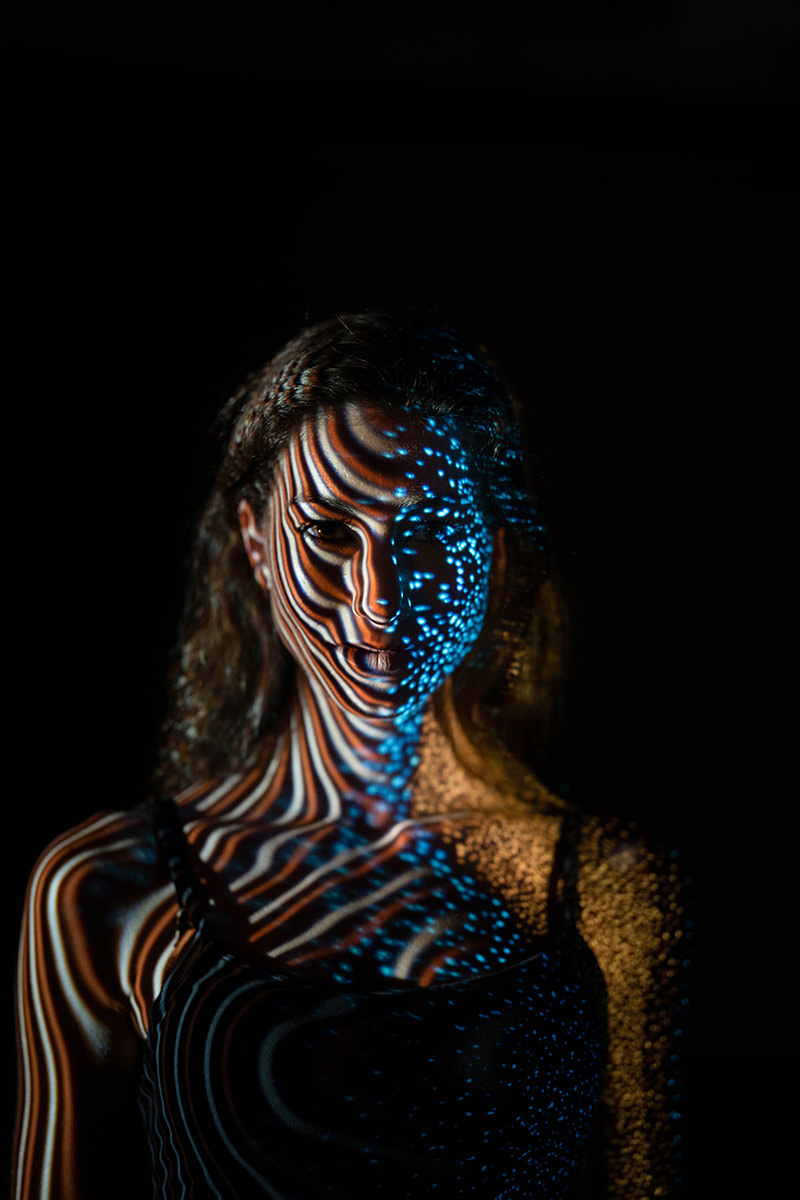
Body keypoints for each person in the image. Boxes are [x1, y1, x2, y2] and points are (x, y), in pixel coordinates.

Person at [13, 310, 687, 1199]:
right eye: (329, 534)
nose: (377, 601)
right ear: (255, 542)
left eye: (429, 533)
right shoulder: (105, 890)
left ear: (495, 550)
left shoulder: (608, 889)